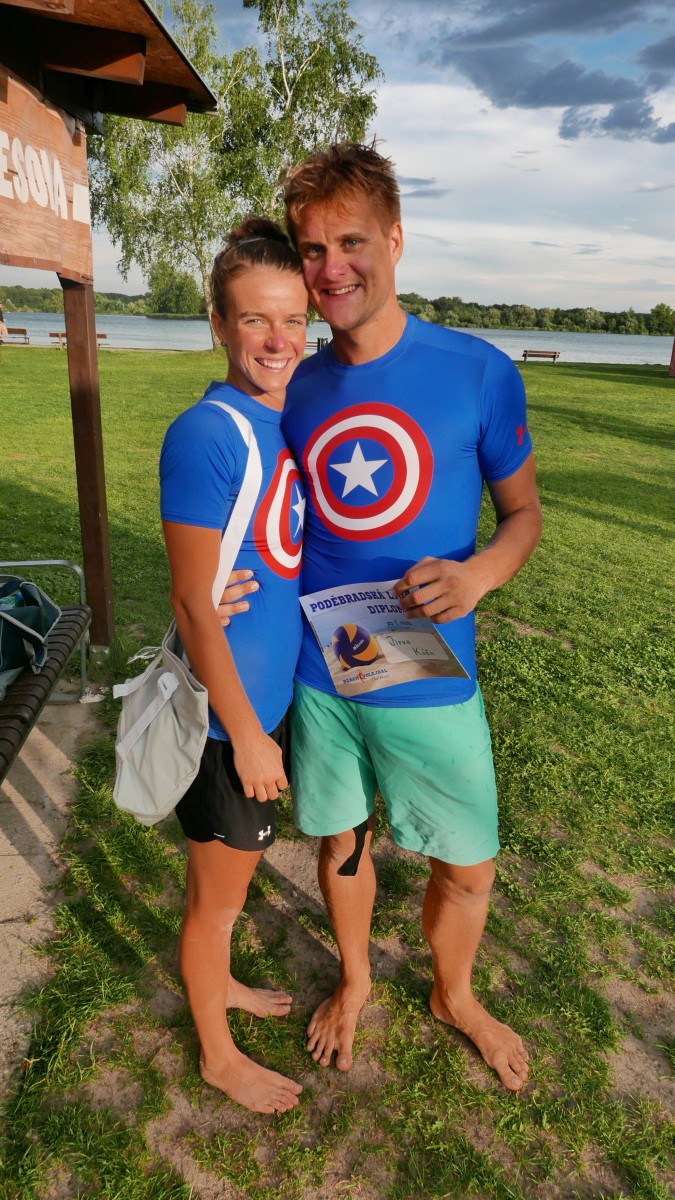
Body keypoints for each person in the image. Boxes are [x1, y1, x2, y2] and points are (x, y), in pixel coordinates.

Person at [277, 142, 542, 1092]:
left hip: (429, 675)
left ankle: (452, 993)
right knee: (341, 841)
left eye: (350, 242)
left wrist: (478, 576)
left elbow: (522, 514)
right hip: (322, 672)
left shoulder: (476, 372)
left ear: (394, 239)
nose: (331, 269)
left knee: (467, 867)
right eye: (312, 250)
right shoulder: (295, 384)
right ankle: (355, 979)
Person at [159, 217, 308, 1114]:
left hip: (261, 702)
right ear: (217, 323)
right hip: (227, 723)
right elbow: (191, 602)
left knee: (228, 882)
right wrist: (248, 735)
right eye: (255, 319)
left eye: (292, 320)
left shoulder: (281, 421)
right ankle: (216, 1053)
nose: (277, 340)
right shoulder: (207, 433)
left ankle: (220, 986)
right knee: (215, 903)